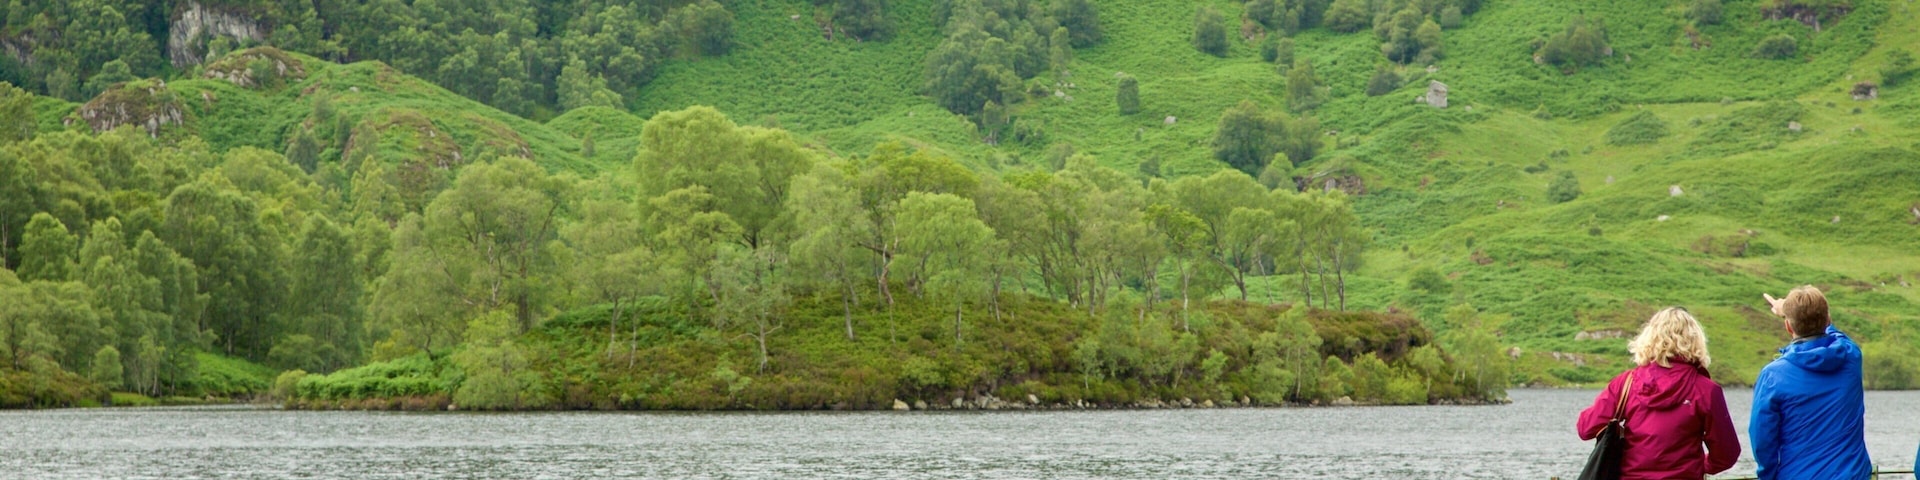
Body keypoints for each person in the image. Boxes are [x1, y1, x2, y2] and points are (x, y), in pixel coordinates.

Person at [1578, 307, 1740, 479]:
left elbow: (1586, 428)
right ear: (1695, 341)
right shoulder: (1706, 390)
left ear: (1649, 338)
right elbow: (1727, 454)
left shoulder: (1625, 383)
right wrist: (1699, 466)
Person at [1751, 285, 1872, 480]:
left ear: (1788, 327)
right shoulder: (1851, 356)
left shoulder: (1773, 375)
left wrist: (1768, 476)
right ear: (1828, 319)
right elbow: (1836, 334)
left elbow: (1763, 439)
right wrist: (1792, 312)